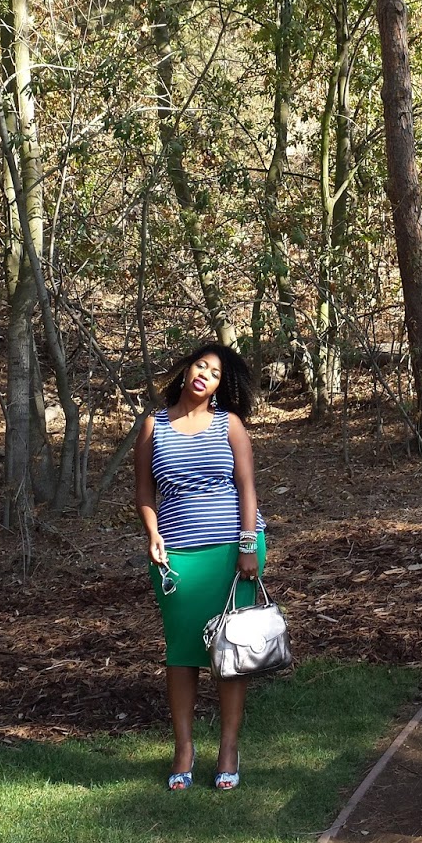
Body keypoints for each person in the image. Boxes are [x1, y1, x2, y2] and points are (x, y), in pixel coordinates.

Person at [134, 339, 266, 790]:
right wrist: (153, 534)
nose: (204, 375)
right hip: (175, 557)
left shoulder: (230, 424)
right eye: (200, 365)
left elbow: (247, 487)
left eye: (214, 373)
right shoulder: (153, 425)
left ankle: (228, 748)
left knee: (231, 651)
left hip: (231, 550)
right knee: (181, 653)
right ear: (187, 369)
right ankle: (184, 749)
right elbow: (144, 491)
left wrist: (247, 546)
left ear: (218, 386)